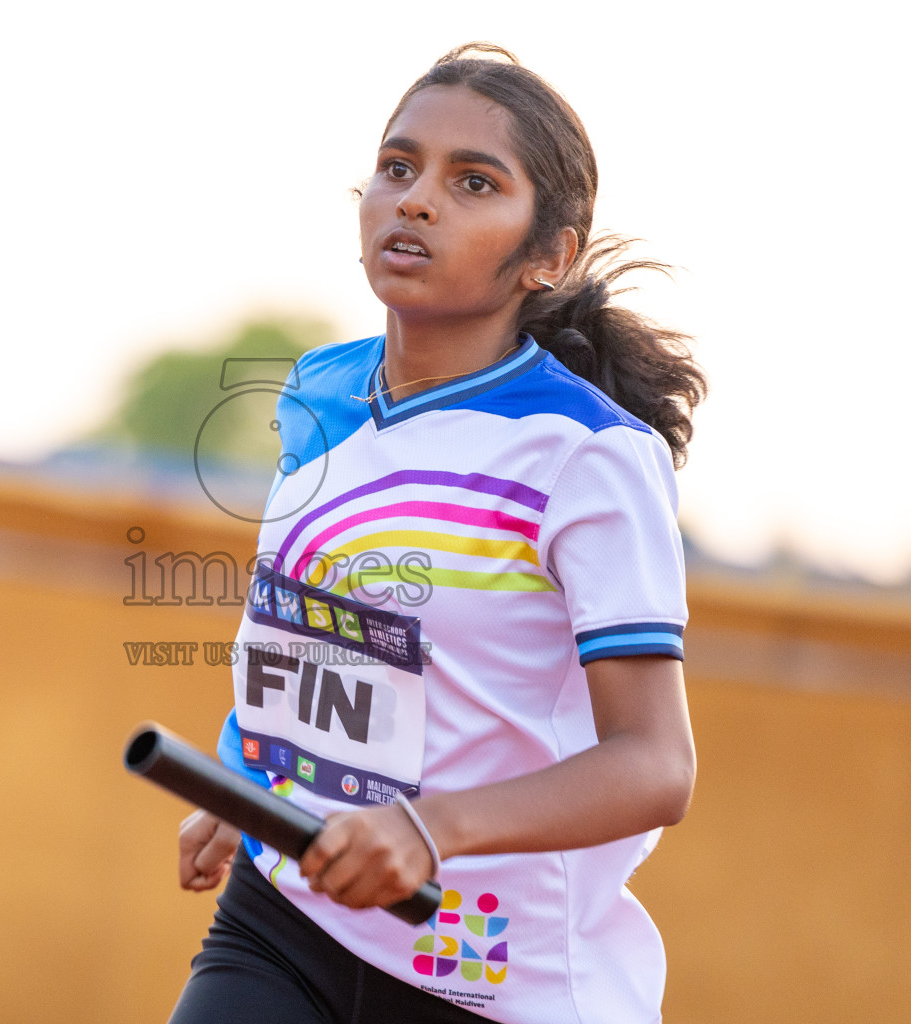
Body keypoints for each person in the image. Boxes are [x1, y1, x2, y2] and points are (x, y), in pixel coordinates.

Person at [170, 42, 706, 1024]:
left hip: (491, 974)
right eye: (398, 167)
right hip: (285, 915)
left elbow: (656, 764)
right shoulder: (318, 389)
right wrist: (247, 775)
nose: (415, 200)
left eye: (473, 183)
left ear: (549, 255)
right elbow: (309, 627)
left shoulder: (587, 455)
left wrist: (430, 828)